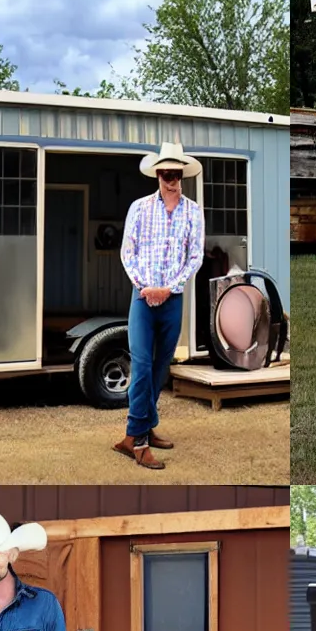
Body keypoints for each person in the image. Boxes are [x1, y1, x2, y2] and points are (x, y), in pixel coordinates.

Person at [115, 139, 205, 469]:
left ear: (182, 175)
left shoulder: (193, 212)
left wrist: (169, 288)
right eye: (165, 172)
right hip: (142, 297)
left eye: (176, 173)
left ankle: (138, 431)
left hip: (172, 299)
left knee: (160, 366)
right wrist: (147, 287)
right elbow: (128, 252)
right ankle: (138, 442)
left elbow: (194, 256)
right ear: (157, 174)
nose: (171, 178)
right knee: (140, 364)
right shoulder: (139, 208)